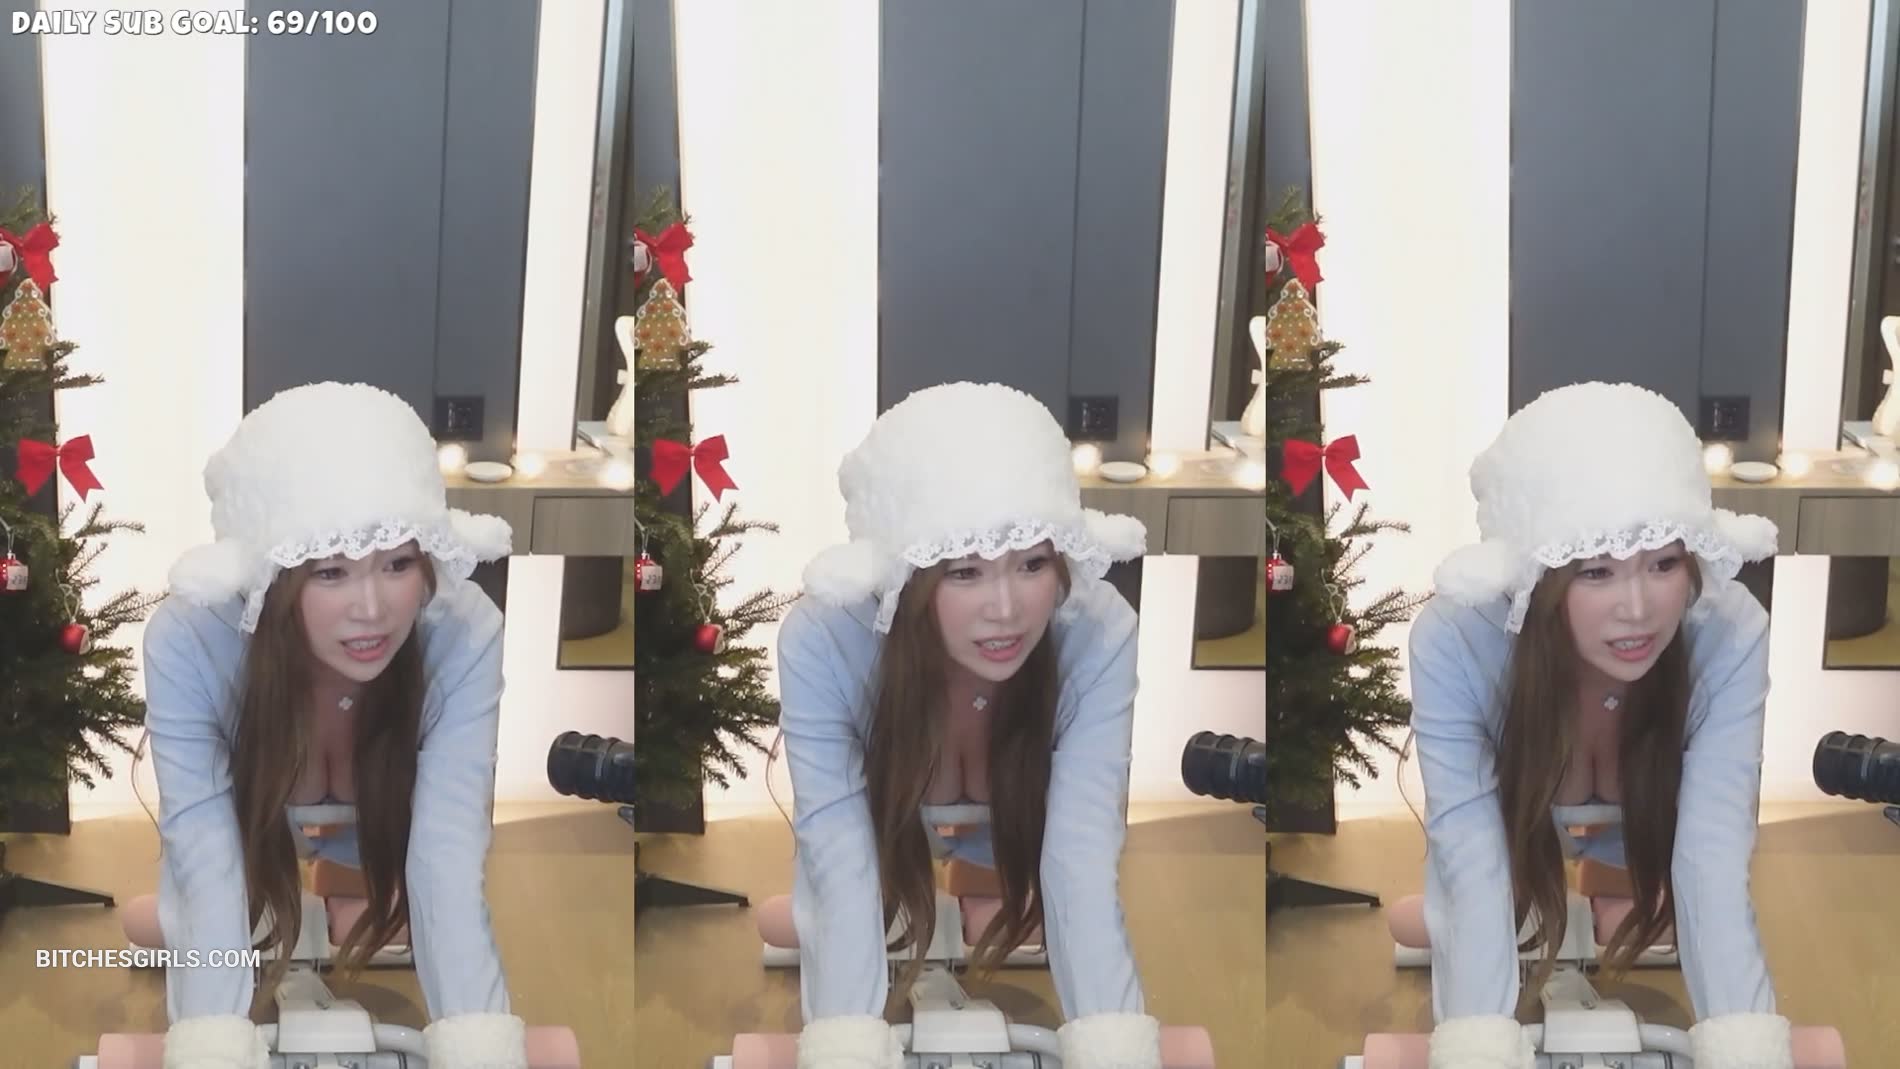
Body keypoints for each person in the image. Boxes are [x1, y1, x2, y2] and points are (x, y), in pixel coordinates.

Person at [134, 382, 528, 1069]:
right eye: (330, 572)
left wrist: (478, 1038)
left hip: (379, 833)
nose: (372, 608)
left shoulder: (462, 632)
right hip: (251, 834)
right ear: (275, 577)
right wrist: (211, 1041)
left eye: (398, 564)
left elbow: (448, 847)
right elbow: (204, 850)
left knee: (398, 912)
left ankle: (344, 891)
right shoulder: (190, 638)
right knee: (187, 915)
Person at [774, 382, 1159, 1069]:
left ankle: (975, 890)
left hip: (1013, 830)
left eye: (1032, 563)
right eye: (964, 572)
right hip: (882, 826)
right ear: (909, 577)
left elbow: (1080, 848)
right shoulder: (824, 638)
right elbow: (837, 848)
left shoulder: (1098, 631)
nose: (1006, 608)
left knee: (1038, 895)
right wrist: (846, 1041)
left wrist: (1113, 1040)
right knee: (840, 903)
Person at [1406, 381, 1790, 1069]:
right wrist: (1477, 1040)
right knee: (1472, 908)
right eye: (1596, 572)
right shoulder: (1456, 638)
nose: (1637, 608)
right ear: (1541, 578)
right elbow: (1468, 847)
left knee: (1662, 905)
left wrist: (1744, 1038)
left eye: (1664, 563)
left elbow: (1713, 845)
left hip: (1644, 832)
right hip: (1514, 831)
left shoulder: (1729, 632)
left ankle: (1610, 890)